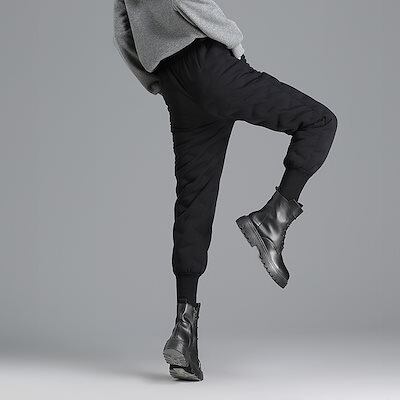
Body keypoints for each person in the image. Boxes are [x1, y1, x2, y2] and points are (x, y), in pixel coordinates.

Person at [113, 0, 338, 382]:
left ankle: (184, 333)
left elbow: (122, 27)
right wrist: (233, 41)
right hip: (207, 63)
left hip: (174, 81)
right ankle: (271, 221)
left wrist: (155, 79)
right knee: (319, 122)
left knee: (193, 201)